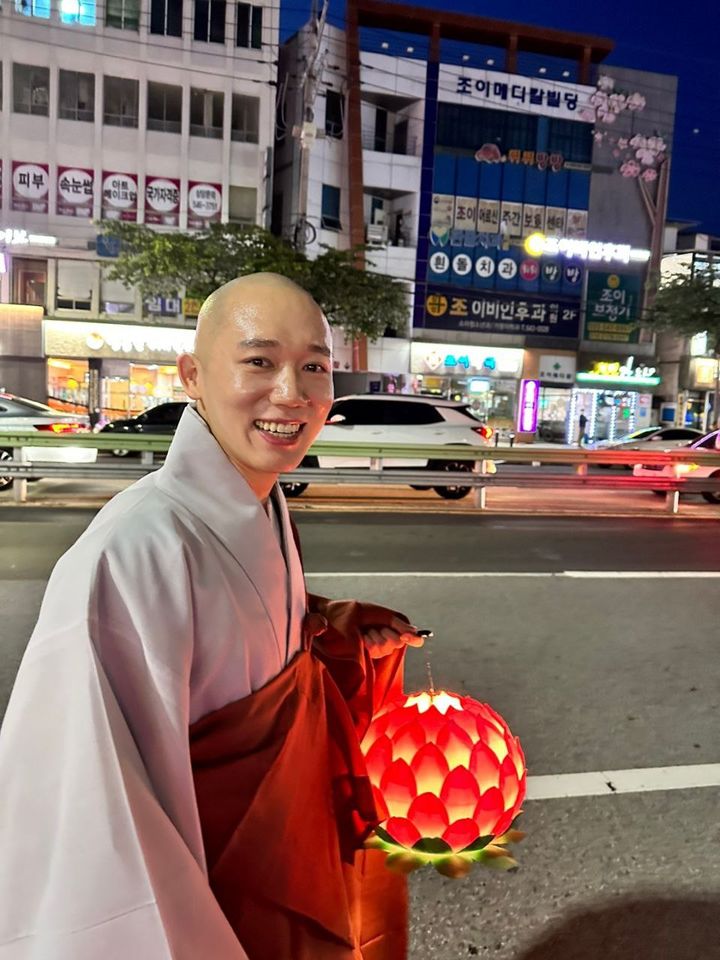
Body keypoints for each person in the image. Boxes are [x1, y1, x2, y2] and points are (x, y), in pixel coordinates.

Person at [0, 273, 424, 959]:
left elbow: (262, 658)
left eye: (313, 366)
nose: (291, 394)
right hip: (207, 897)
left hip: (281, 869)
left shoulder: (261, 507)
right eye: (259, 361)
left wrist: (336, 632)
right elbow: (93, 807)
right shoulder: (131, 551)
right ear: (192, 375)